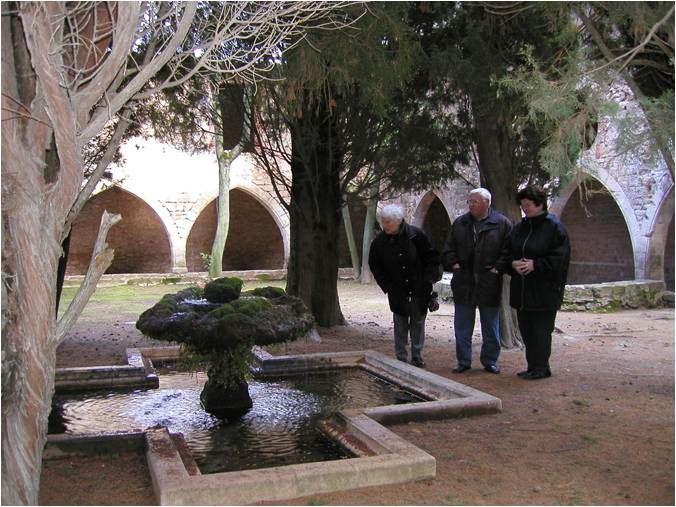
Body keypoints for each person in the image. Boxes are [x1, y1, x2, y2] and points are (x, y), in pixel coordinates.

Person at [442, 188, 512, 374]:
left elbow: (508, 250)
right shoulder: (460, 223)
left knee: (490, 325)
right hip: (464, 281)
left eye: (475, 201)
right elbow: (448, 248)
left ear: (487, 203)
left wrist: (497, 269)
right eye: (469, 201)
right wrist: (455, 265)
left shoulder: (501, 224)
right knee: (462, 325)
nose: (471, 205)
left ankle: (490, 360)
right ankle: (463, 361)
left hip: (489, 281)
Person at [508, 185, 571, 380]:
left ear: (539, 204)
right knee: (527, 330)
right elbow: (507, 251)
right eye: (522, 205)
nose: (524, 208)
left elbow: (560, 259)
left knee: (541, 331)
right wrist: (512, 263)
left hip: (544, 291)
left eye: (528, 205)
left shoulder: (555, 228)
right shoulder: (520, 228)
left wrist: (536, 265)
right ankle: (532, 366)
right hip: (522, 291)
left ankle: (541, 367)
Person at [369, 203, 441, 368]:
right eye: (383, 221)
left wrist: (429, 280)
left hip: (419, 287)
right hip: (397, 289)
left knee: (418, 322)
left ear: (398, 221)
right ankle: (401, 356)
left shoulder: (416, 235)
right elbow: (375, 264)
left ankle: (417, 356)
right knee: (400, 322)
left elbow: (431, 258)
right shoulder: (379, 242)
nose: (384, 225)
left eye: (388, 222)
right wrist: (387, 285)